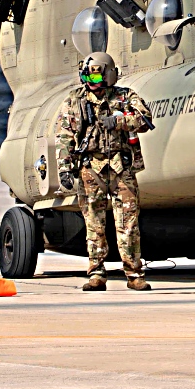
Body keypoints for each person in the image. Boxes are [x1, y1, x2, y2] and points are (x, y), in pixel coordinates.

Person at [53, 53, 154, 291]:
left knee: (128, 223)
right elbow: (64, 136)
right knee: (94, 225)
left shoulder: (125, 96)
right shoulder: (74, 101)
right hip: (91, 169)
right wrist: (65, 168)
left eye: (96, 76)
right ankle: (96, 273)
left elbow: (145, 120)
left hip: (121, 168)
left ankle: (134, 273)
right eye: (87, 76)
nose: (91, 81)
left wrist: (119, 122)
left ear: (108, 75)